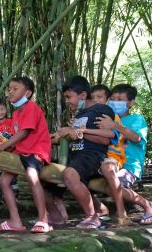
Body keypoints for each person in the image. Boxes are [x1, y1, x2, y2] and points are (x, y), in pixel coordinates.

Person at [49, 76, 116, 230]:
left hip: (92, 155)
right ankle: (58, 215)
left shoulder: (101, 110)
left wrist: (78, 132)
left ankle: (92, 218)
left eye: (68, 97)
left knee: (70, 175)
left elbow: (105, 140)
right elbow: (73, 135)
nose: (66, 101)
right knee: (45, 173)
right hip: (75, 156)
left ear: (83, 95)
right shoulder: (80, 114)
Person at [0, 76, 52, 233]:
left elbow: (24, 132)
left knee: (32, 176)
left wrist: (4, 145)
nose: (10, 92)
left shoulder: (32, 107)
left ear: (28, 92)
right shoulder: (17, 113)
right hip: (21, 152)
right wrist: (3, 147)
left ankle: (43, 219)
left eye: (15, 89)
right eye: (9, 89)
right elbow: (16, 135)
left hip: (36, 151)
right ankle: (15, 221)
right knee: (3, 181)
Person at [95, 84, 152, 225]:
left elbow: (136, 138)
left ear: (131, 102)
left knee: (113, 186)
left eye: (120, 99)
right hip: (109, 163)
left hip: (129, 165)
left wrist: (115, 126)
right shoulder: (107, 119)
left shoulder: (137, 119)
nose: (115, 102)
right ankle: (100, 211)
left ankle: (147, 206)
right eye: (112, 99)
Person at [89, 84, 129, 226]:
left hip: (114, 156)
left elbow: (114, 137)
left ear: (107, 100)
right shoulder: (90, 116)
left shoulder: (112, 116)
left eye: (99, 97)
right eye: (93, 97)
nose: (96, 100)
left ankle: (121, 211)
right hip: (97, 156)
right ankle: (99, 210)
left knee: (107, 168)